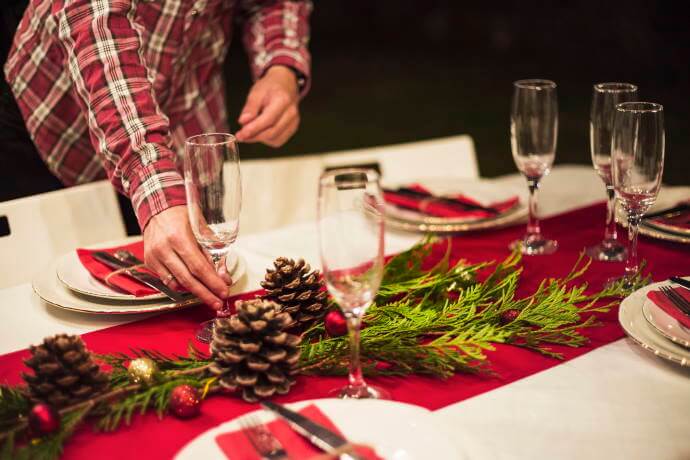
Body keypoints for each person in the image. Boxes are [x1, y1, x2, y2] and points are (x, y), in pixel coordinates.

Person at [1, 0, 312, 309]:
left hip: (185, 117)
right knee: (45, 304)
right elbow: (99, 29)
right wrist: (153, 184)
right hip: (54, 124)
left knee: (179, 301)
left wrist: (281, 66)